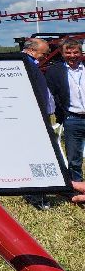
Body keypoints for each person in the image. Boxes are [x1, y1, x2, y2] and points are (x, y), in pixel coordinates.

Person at [44, 39, 84, 184]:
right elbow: (52, 95)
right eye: (68, 52)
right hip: (72, 119)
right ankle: (77, 186)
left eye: (75, 52)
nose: (72, 55)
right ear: (62, 53)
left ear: (81, 53)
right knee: (74, 158)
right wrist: (62, 115)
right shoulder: (54, 71)